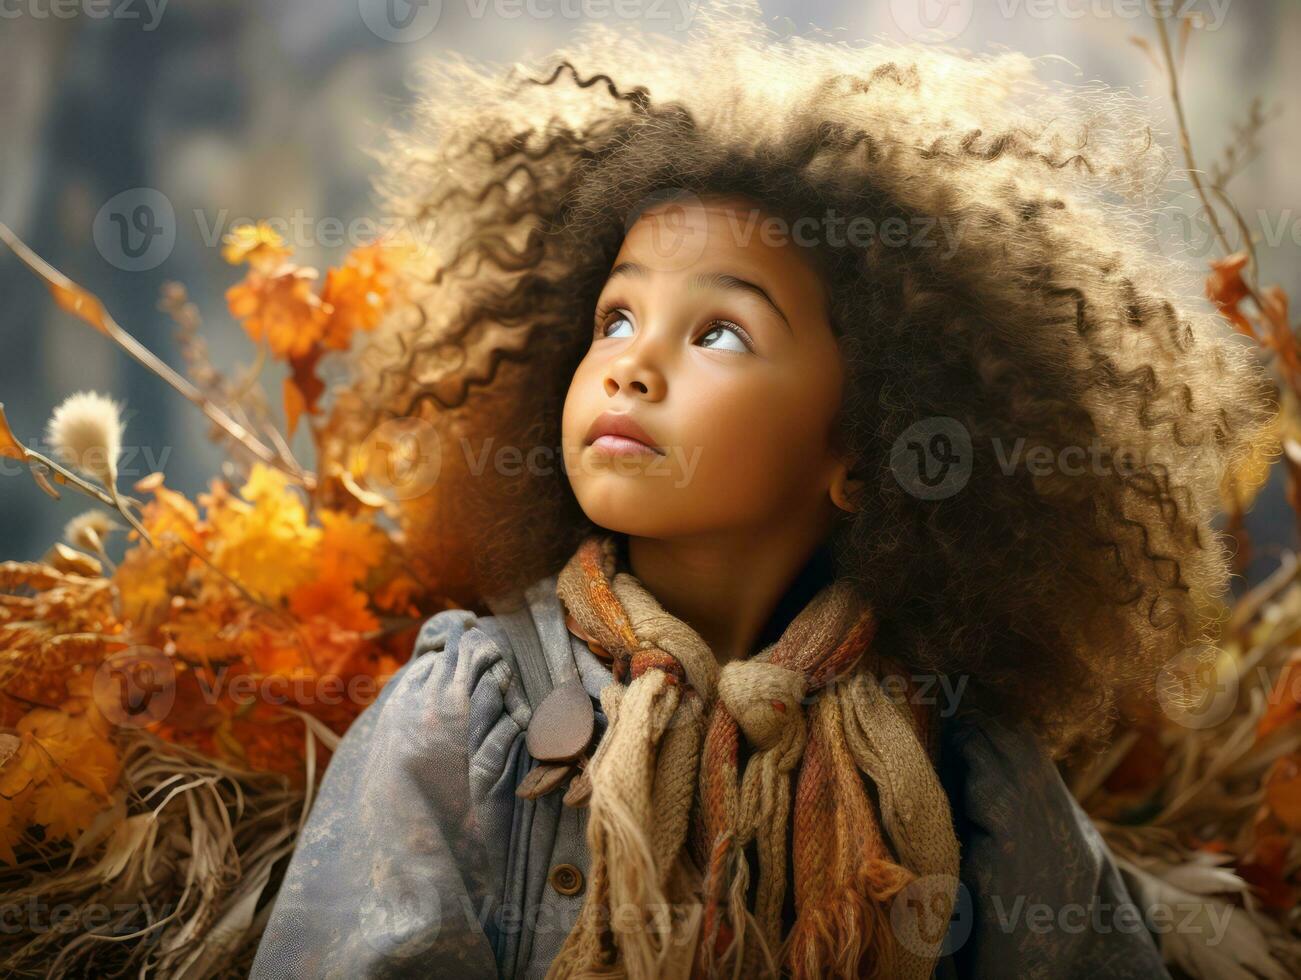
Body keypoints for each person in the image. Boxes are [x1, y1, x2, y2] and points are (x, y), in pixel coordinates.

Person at [251, 3, 1276, 977]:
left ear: (864, 444)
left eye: (718, 334)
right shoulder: (470, 711)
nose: (630, 365)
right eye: (613, 317)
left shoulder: (957, 758)